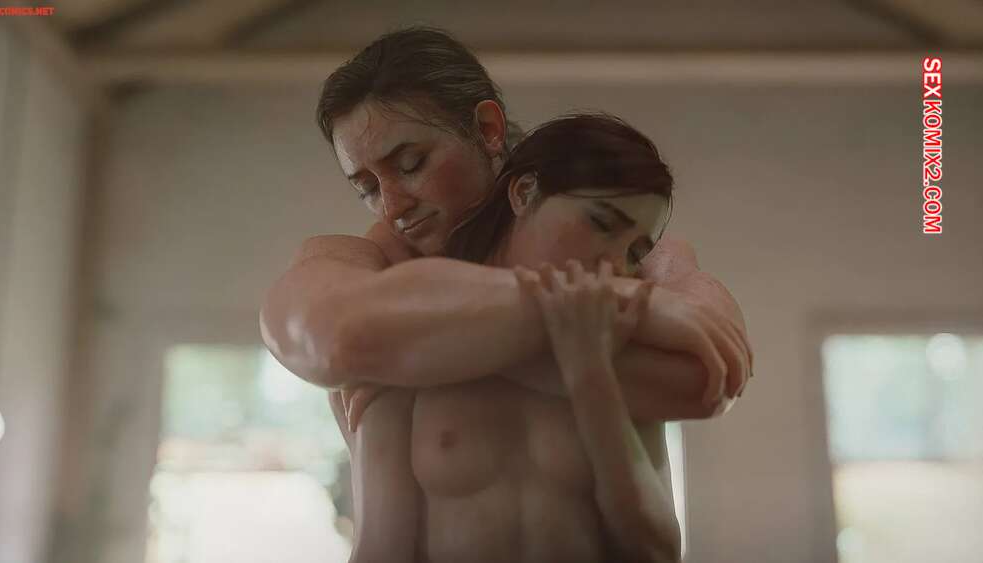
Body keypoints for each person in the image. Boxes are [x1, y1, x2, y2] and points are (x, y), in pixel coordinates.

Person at [258, 27, 752, 562]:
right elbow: (335, 339)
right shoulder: (366, 268)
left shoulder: (633, 256)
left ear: (489, 130)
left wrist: (435, 345)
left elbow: (707, 379)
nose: (394, 206)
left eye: (411, 164)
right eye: (368, 188)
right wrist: (630, 310)